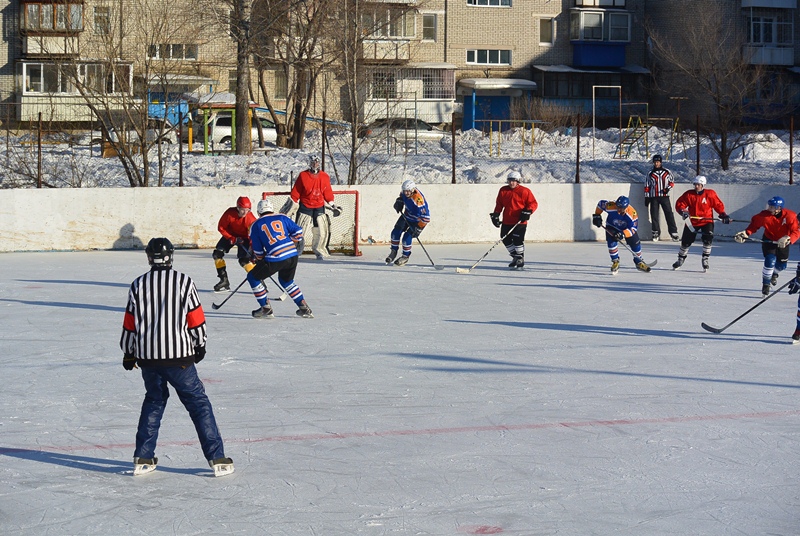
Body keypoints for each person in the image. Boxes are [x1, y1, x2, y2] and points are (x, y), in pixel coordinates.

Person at [120, 237, 233, 477]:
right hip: (179, 356)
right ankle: (217, 457)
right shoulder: (183, 282)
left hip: (148, 357)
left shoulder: (138, 284)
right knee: (198, 404)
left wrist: (128, 352)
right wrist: (200, 344)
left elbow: (130, 323)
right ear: (171, 256)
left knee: (154, 401)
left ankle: (143, 456)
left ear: (149, 257)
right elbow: (195, 318)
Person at [247, 198, 314, 319]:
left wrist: (260, 258)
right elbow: (299, 232)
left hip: (276, 257)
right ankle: (303, 306)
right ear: (272, 209)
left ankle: (265, 308)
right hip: (293, 255)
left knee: (252, 277)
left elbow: (258, 251)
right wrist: (289, 245)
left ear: (258, 212)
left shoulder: (256, 225)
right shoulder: (282, 217)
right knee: (286, 281)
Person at [734, 196, 800, 296]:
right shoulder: (764, 216)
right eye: (769, 206)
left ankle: (774, 274)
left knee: (782, 265)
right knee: (770, 259)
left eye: (772, 207)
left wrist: (788, 238)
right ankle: (766, 284)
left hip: (783, 242)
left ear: (779, 208)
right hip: (769, 240)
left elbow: (796, 231)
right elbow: (754, 225)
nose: (769, 209)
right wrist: (746, 233)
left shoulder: (790, 216)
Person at [284, 155, 342, 260]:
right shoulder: (303, 176)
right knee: (299, 230)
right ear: (309, 163)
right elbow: (296, 192)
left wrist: (333, 204)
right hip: (305, 206)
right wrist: (291, 206)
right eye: (313, 162)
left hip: (319, 207)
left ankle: (319, 250)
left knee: (321, 230)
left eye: (317, 162)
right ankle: (297, 250)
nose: (315, 164)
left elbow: (327, 192)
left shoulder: (324, 176)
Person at [673, 176, 731, 272]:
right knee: (686, 242)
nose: (696, 186)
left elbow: (718, 205)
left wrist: (723, 215)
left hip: (707, 220)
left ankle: (705, 259)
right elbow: (680, 204)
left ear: (703, 185)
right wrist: (683, 211)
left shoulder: (710, 194)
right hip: (692, 221)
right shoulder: (689, 194)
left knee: (708, 240)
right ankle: (680, 259)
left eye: (698, 185)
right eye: (695, 184)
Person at [490, 171, 538, 269]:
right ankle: (515, 256)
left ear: (518, 181)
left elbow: (533, 203)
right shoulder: (503, 190)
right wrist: (496, 214)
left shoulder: (525, 191)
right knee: (504, 238)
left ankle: (520, 258)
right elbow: (499, 204)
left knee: (517, 240)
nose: (511, 183)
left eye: (514, 181)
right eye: (510, 180)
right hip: (507, 219)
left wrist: (527, 211)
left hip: (520, 221)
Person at [592, 196, 652, 274]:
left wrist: (623, 234)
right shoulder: (611, 206)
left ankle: (639, 262)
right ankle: (615, 261)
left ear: (626, 207)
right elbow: (600, 204)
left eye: (621, 208)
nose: (618, 210)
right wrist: (597, 215)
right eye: (617, 207)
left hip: (626, 229)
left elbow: (633, 229)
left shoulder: (632, 214)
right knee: (611, 243)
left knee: (635, 243)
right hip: (612, 226)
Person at [213, 196, 256, 292]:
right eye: (242, 210)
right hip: (231, 235)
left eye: (247, 210)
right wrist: (232, 238)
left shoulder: (250, 219)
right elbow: (221, 227)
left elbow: (254, 236)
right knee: (217, 254)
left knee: (244, 261)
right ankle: (223, 280)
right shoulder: (229, 214)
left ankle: (258, 280)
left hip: (245, 238)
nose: (245, 212)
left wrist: (254, 251)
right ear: (238, 208)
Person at [385, 178, 431, 266]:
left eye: (408, 191)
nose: (406, 193)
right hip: (407, 216)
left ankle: (405, 257)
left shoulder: (418, 201)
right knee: (395, 232)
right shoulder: (404, 193)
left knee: (406, 237)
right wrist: (399, 201)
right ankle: (393, 251)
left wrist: (419, 227)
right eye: (405, 191)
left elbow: (426, 217)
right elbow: (402, 196)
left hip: (417, 221)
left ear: (413, 190)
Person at [644, 154, 679, 241]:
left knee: (669, 214)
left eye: (658, 162)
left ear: (661, 162)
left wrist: (667, 189)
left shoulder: (667, 172)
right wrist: (647, 197)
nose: (656, 164)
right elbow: (647, 186)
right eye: (655, 162)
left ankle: (673, 232)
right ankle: (655, 232)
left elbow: (672, 182)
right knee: (654, 215)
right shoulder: (650, 173)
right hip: (654, 197)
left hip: (664, 196)